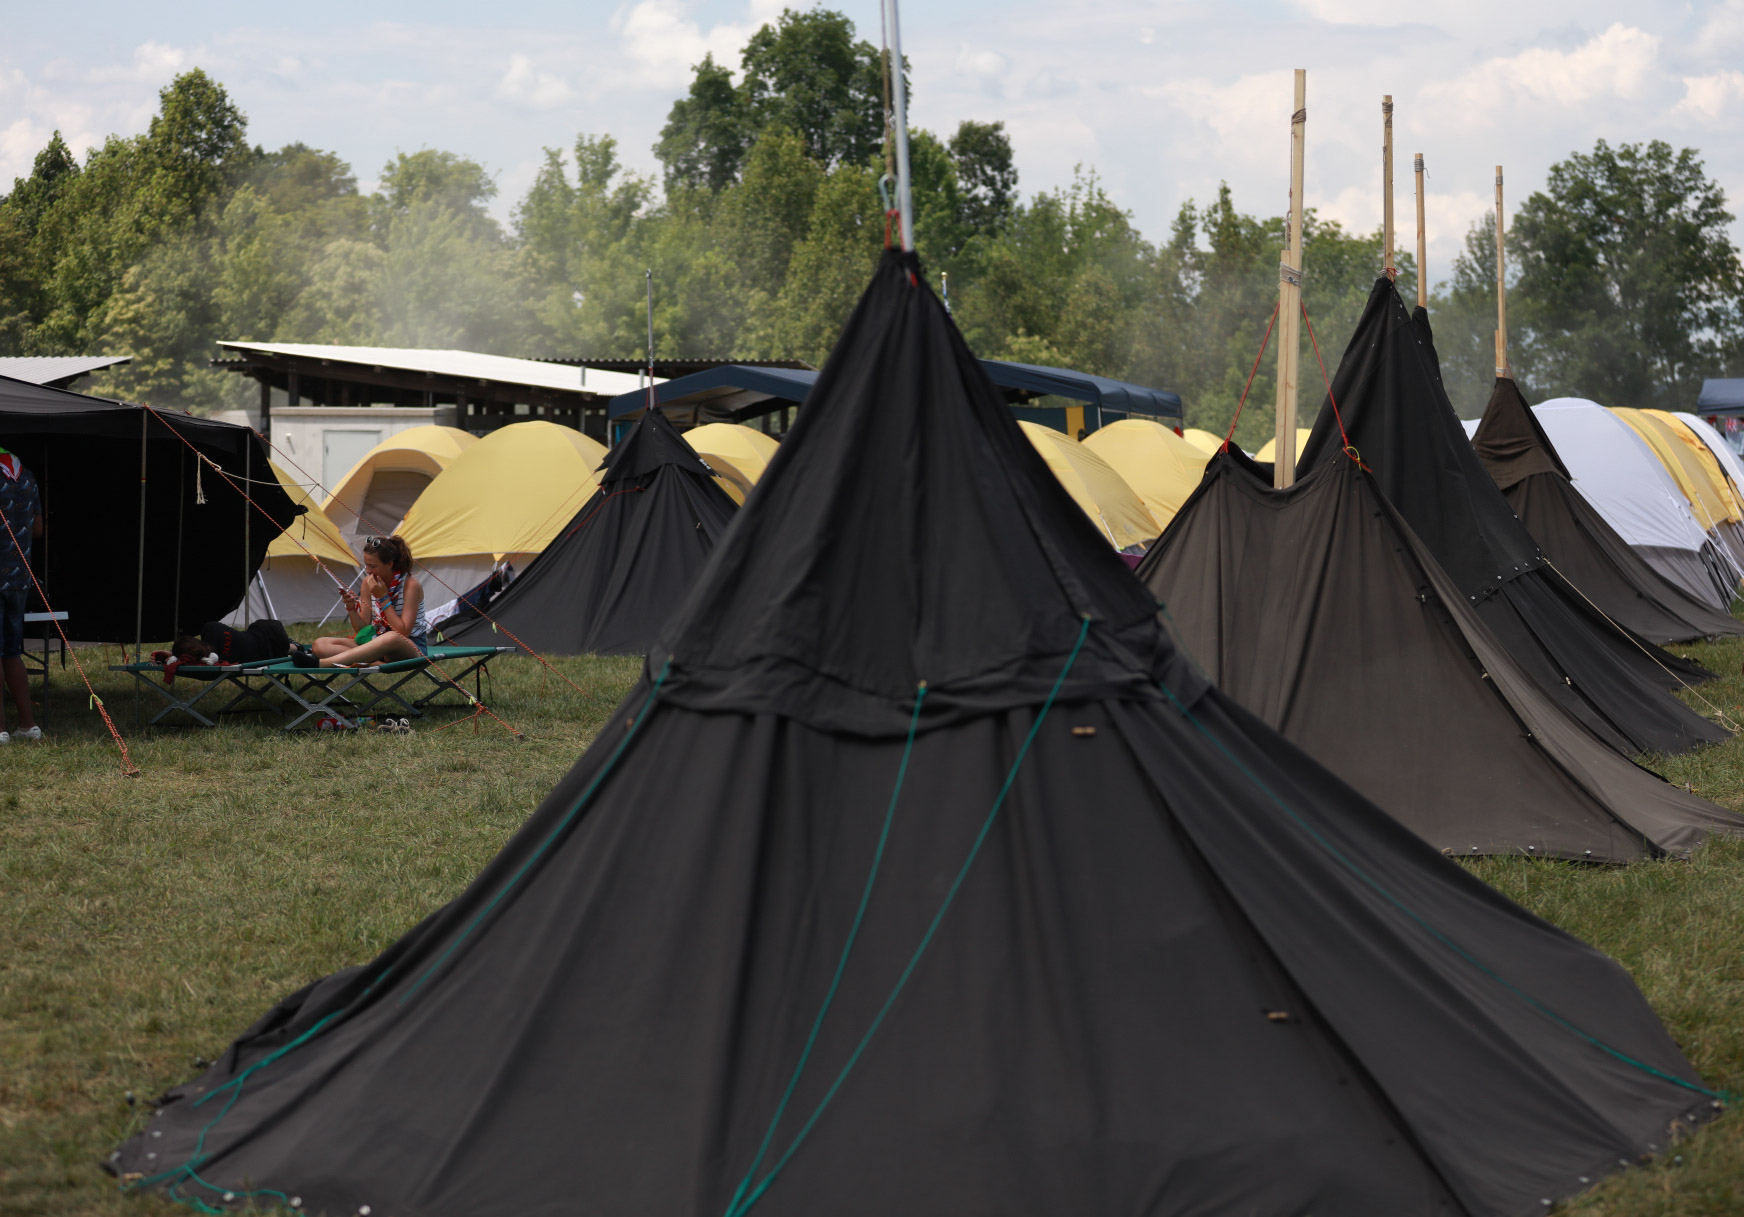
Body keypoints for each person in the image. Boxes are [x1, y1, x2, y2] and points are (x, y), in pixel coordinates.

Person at [294, 535, 427, 668]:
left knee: (392, 637)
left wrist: (383, 598)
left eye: (372, 566)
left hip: (409, 647)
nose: (368, 570)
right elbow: (362, 629)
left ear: (389, 564)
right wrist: (351, 608)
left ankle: (322, 664)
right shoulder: (367, 583)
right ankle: (374, 663)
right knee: (320, 644)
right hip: (376, 641)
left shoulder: (410, 585)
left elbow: (403, 633)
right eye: (366, 565)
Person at [0, 446, 42, 743]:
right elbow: (38, 529)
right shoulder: (26, 476)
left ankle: (0, 729)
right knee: (12, 652)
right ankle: (27, 725)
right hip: (20, 579)